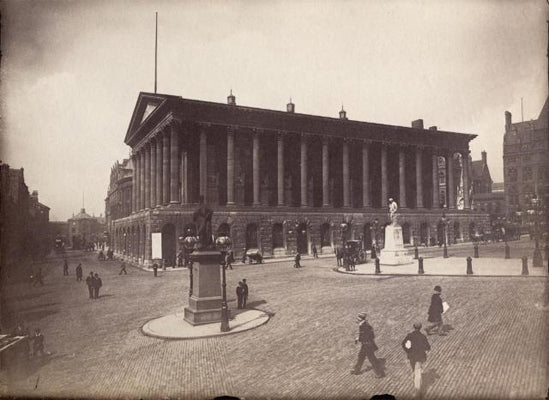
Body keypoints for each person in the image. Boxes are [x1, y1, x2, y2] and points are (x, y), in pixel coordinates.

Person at [351, 312, 385, 378]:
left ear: (361, 319)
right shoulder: (363, 324)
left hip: (367, 345)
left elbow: (367, 336)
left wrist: (359, 339)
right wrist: (359, 338)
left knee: (372, 359)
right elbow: (368, 335)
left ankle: (380, 373)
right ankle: (356, 370)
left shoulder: (364, 326)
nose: (357, 319)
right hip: (365, 344)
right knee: (360, 357)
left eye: (358, 318)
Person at [402, 322, 431, 394]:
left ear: (413, 327)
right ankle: (417, 388)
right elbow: (427, 346)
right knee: (417, 370)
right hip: (420, 356)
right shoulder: (423, 336)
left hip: (411, 355)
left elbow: (403, 343)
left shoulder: (410, 335)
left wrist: (408, 350)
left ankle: (416, 383)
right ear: (420, 328)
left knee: (414, 369)